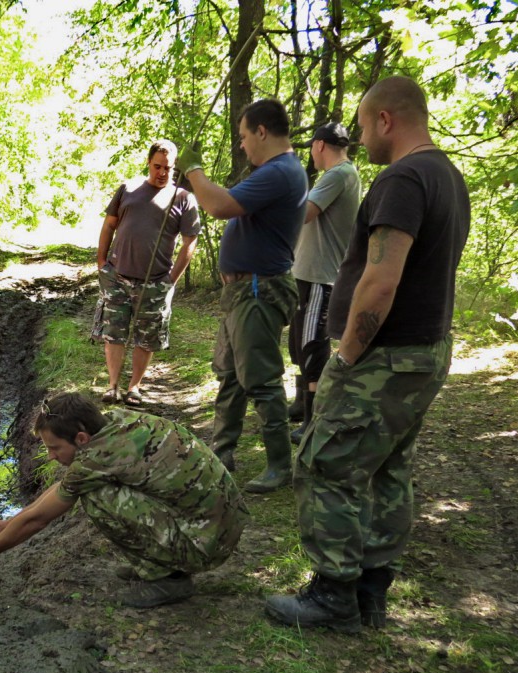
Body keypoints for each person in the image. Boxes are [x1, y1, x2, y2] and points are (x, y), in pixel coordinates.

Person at [265, 76, 471, 633]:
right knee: (388, 466)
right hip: (425, 351)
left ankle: (334, 595)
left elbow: (381, 279)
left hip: (384, 358)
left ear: (386, 119)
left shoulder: (404, 178)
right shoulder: (448, 176)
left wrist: (346, 356)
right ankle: (371, 592)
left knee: (325, 462)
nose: (360, 137)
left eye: (362, 125)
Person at [0, 391, 248, 609]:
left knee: (96, 497)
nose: (52, 456)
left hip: (204, 544)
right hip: (217, 524)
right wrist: (6, 525)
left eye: (55, 448)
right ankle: (160, 561)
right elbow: (63, 487)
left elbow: (40, 519)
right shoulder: (118, 422)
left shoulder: (97, 459)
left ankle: (169, 579)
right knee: (87, 487)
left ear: (81, 438)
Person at [179, 99, 307, 493]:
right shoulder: (276, 171)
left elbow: (219, 205)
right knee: (231, 376)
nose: (242, 144)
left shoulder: (281, 171)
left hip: (258, 291)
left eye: (244, 136)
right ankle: (223, 452)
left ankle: (279, 465)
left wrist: (194, 170)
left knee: (261, 380)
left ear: (261, 132)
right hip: (243, 291)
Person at [94, 140, 200, 408]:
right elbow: (109, 226)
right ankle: (113, 385)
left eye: (168, 168)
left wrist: (171, 280)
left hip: (155, 282)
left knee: (146, 338)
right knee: (114, 333)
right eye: (157, 166)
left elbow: (190, 242)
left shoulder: (183, 198)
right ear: (148, 163)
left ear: (175, 168)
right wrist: (101, 262)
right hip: (116, 277)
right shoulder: (128, 189)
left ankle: (134, 387)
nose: (162, 172)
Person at [287, 122, 362, 443]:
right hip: (308, 274)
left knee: (312, 345)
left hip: (321, 277)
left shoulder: (339, 174)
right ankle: (301, 403)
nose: (312, 155)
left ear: (319, 145)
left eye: (312, 149)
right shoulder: (341, 174)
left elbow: (303, 213)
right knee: (299, 342)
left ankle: (313, 419)